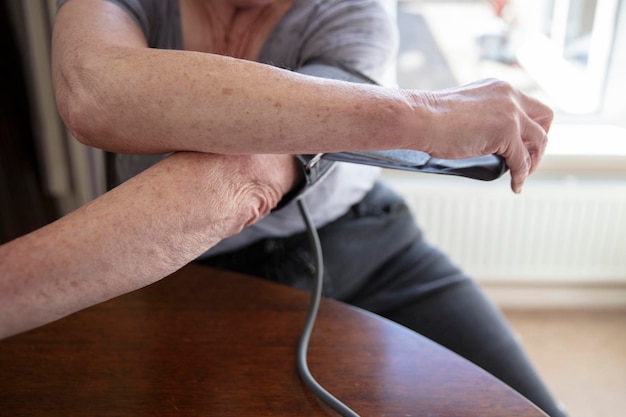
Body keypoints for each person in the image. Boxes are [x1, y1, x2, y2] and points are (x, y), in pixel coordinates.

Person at [49, 0, 563, 416]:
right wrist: (425, 115)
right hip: (195, 271)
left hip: (369, 243)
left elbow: (253, 173)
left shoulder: (351, 12)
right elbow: (94, 92)